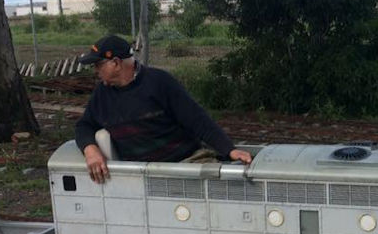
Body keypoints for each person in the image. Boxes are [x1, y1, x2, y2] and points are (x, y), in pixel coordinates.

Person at [75, 34, 251, 183]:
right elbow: (84, 125)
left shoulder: (159, 82)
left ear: (116, 63)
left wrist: (229, 150)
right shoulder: (102, 94)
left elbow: (196, 119)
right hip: (142, 174)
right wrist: (90, 150)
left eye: (98, 65)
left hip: (186, 162)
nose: (96, 71)